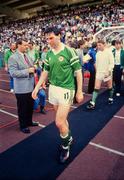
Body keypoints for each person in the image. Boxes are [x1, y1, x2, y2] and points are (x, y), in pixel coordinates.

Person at [32, 27, 84, 163]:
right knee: (62, 121)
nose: (48, 41)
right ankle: (69, 138)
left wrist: (79, 91)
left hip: (66, 89)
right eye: (47, 38)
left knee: (59, 122)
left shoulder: (69, 51)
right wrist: (37, 87)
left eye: (51, 38)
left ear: (59, 36)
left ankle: (65, 146)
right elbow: (45, 72)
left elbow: (78, 72)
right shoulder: (49, 54)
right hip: (53, 89)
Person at [8, 38, 39, 134]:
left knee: (30, 106)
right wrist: (27, 71)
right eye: (25, 45)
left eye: (27, 45)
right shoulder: (13, 57)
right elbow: (13, 73)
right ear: (19, 45)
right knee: (22, 108)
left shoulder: (27, 55)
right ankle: (23, 125)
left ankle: (29, 122)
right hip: (21, 89)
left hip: (30, 86)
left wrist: (34, 67)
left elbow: (31, 65)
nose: (27, 46)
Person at [87, 40, 114, 110]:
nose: (98, 47)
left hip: (107, 73)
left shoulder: (109, 52)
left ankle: (110, 98)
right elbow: (97, 63)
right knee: (96, 87)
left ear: (104, 45)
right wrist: (96, 71)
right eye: (98, 45)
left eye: (100, 45)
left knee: (110, 87)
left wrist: (109, 71)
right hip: (99, 73)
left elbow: (112, 63)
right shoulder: (98, 53)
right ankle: (93, 103)